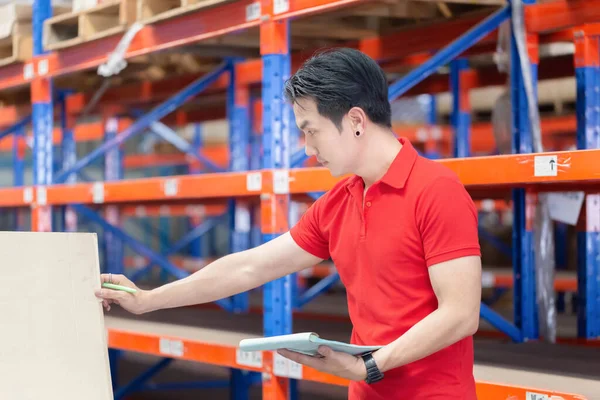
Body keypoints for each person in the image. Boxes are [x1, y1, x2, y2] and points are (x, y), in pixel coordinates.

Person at [96, 48, 482, 399]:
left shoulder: (436, 191)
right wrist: (148, 300)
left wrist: (369, 366)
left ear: (356, 121)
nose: (308, 149)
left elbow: (461, 313)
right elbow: (250, 266)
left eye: (310, 130)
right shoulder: (338, 203)